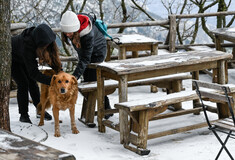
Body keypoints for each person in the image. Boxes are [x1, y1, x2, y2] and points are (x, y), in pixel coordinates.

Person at [60, 11, 113, 119]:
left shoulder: (87, 34)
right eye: (66, 32)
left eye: (70, 33)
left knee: (93, 82)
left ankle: (104, 110)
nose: (68, 35)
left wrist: (73, 78)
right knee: (88, 82)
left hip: (97, 52)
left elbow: (85, 59)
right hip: (86, 54)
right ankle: (90, 111)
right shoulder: (72, 22)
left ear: (76, 29)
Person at [11, 24, 62, 124]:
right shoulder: (27, 46)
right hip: (13, 58)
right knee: (23, 83)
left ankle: (40, 110)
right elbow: (34, 73)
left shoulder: (44, 38)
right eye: (45, 45)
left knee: (32, 83)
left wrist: (60, 72)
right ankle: (23, 115)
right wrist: (52, 80)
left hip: (23, 58)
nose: (48, 46)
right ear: (40, 44)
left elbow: (53, 60)